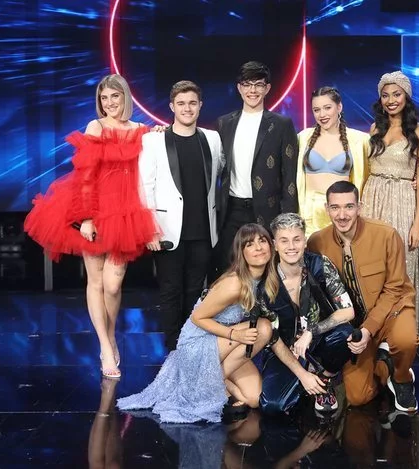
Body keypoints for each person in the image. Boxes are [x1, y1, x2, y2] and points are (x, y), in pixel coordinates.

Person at [24, 74, 157, 379]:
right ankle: (106, 348)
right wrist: (85, 218)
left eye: (114, 96)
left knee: (113, 284)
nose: (109, 103)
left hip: (126, 213)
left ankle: (110, 336)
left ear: (126, 97)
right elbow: (85, 175)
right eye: (104, 98)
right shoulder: (95, 127)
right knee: (96, 282)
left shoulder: (141, 130)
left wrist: (160, 132)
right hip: (94, 210)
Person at [116, 223, 277, 423]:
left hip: (221, 345)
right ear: (241, 253)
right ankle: (209, 382)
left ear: (271, 245)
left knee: (253, 399)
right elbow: (197, 318)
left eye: (262, 241)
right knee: (263, 327)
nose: (259, 248)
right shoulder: (234, 283)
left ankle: (213, 380)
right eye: (250, 244)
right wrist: (235, 335)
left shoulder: (264, 279)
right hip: (196, 344)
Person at [308, 181, 419, 412]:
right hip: (355, 324)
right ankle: (384, 365)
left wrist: (369, 329)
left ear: (359, 206)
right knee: (358, 397)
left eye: (349, 207)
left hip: (392, 310)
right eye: (335, 207)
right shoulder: (317, 242)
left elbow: (395, 288)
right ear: (326, 209)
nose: (342, 215)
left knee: (405, 340)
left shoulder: (386, 234)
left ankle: (402, 378)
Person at [139, 80, 224, 351]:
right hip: (166, 231)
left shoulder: (212, 138)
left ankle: (190, 346)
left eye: (192, 103)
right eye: (181, 103)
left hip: (203, 229)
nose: (187, 108)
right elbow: (145, 186)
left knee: (195, 292)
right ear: (171, 106)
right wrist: (150, 229)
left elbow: (220, 173)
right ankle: (173, 350)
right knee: (170, 291)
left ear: (200, 106)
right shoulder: (153, 140)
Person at [258, 213, 355, 415]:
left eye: (296, 239)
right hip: (285, 349)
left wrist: (312, 331)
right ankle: (308, 379)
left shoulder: (320, 264)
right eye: (284, 241)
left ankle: (324, 379)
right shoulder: (265, 281)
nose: (291, 247)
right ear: (275, 245)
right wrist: (302, 374)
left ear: (304, 241)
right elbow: (273, 339)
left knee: (346, 334)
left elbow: (348, 311)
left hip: (318, 342)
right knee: (272, 406)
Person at [213, 61, 299, 279]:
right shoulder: (225, 123)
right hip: (231, 209)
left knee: (267, 271)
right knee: (230, 269)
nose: (253, 90)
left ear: (267, 88)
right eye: (247, 84)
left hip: (267, 210)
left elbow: (289, 177)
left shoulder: (281, 124)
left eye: (258, 84)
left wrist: (288, 221)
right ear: (239, 88)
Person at [360, 71, 419, 320]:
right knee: (372, 264)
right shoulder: (374, 129)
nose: (391, 100)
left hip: (403, 201)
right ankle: (372, 329)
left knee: (402, 265)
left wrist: (418, 223)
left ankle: (402, 330)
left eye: (396, 94)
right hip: (373, 200)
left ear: (407, 97)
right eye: (385, 95)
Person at [296, 86, 369, 237]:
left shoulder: (359, 140)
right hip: (309, 214)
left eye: (327, 108)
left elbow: (377, 170)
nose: (322, 114)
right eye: (316, 110)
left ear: (339, 107)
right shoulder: (303, 138)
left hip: (343, 214)